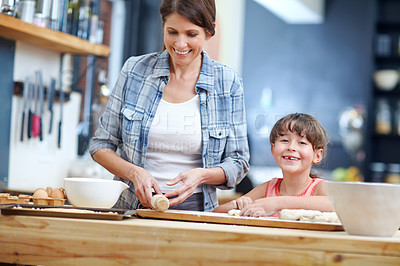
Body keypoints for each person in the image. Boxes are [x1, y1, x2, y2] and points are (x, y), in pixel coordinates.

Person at [89, 0, 249, 212]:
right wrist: (135, 173)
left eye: (191, 34)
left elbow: (238, 162)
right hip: (131, 207)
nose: (180, 44)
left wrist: (201, 175)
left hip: (195, 210)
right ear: (163, 27)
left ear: (209, 32)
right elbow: (100, 145)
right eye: (172, 32)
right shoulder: (135, 70)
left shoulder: (228, 82)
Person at [213, 113, 333, 217]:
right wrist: (237, 205)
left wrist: (278, 203)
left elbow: (338, 205)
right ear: (273, 148)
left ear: (317, 155)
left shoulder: (319, 188)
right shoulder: (267, 189)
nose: (291, 147)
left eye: (302, 142)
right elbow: (217, 212)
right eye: (285, 140)